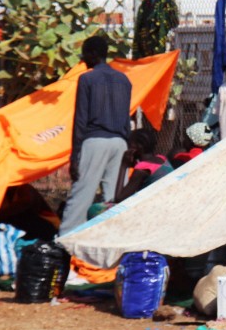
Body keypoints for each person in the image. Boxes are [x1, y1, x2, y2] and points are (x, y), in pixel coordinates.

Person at [59, 35, 132, 234]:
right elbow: (126, 117)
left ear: (92, 54)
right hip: (120, 143)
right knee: (115, 199)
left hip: (95, 141)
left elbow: (80, 119)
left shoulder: (87, 79)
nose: (83, 59)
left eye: (84, 54)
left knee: (81, 195)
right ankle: (115, 242)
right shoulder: (123, 80)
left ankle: (64, 243)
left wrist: (74, 156)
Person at [114, 127, 174, 202]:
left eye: (130, 145)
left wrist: (123, 166)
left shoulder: (143, 169)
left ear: (137, 147)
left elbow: (119, 198)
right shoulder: (162, 159)